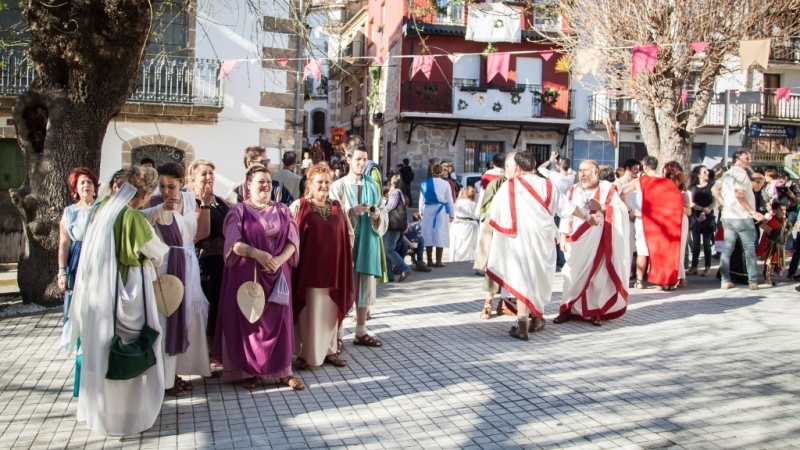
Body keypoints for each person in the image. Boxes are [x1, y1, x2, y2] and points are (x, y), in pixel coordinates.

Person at [68, 166, 168, 436]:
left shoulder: (101, 209)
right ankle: (128, 417)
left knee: (101, 350)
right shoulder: (131, 217)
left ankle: (101, 413)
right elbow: (156, 252)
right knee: (130, 348)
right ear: (144, 194)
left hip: (97, 294)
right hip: (126, 291)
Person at [487, 152, 597, 340]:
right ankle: (536, 317)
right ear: (535, 164)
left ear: (519, 168)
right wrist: (588, 218)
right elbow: (568, 208)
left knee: (521, 278)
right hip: (543, 239)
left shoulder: (509, 186)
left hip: (518, 238)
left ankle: (523, 324)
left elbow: (495, 212)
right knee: (538, 278)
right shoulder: (548, 184)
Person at [215, 164, 304, 390]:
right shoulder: (238, 212)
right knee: (251, 323)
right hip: (249, 275)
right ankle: (249, 370)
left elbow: (293, 242)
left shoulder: (283, 210)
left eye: (268, 181)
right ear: (248, 185)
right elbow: (234, 245)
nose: (265, 185)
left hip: (277, 274)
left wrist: (279, 260)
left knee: (280, 322)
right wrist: (259, 255)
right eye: (260, 181)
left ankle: (284, 371)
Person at [147, 163, 211, 397]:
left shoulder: (190, 199)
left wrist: (205, 204)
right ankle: (163, 379)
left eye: (171, 186)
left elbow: (201, 233)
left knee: (188, 318)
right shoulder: (153, 203)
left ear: (181, 183)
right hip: (165, 264)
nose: (166, 191)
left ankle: (176, 372)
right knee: (167, 319)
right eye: (162, 186)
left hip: (188, 261)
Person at [290, 163, 354, 369]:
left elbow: (349, 235)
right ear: (310, 184)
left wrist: (343, 257)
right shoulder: (299, 207)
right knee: (308, 312)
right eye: (320, 182)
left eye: (327, 182)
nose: (324, 186)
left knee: (329, 311)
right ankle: (304, 353)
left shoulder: (338, 207)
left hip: (333, 271)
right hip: (307, 271)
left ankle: (330, 350)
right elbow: (289, 236)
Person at [329, 136, 389, 348]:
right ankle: (337, 334)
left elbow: (382, 208)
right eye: (358, 160)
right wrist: (351, 212)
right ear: (348, 159)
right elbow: (330, 214)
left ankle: (361, 331)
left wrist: (376, 217)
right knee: (343, 286)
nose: (362, 163)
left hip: (368, 242)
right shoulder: (338, 186)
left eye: (365, 159)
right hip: (346, 242)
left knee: (364, 287)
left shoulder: (372, 184)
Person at [555, 160, 630, 327]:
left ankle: (596, 312)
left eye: (586, 171)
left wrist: (602, 207)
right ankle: (567, 309)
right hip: (577, 240)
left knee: (598, 277)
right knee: (571, 274)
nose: (582, 174)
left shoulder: (607, 189)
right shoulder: (573, 189)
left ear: (596, 172)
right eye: (580, 170)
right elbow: (566, 213)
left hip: (600, 241)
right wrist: (562, 236)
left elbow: (621, 212)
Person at [57, 167, 99, 397]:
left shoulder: (102, 209)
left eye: (90, 182)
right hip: (77, 263)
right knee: (80, 321)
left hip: (98, 263)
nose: (86, 186)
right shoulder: (70, 212)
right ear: (75, 188)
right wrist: (62, 271)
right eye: (82, 183)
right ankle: (81, 381)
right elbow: (64, 243)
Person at [187, 159, 229, 372]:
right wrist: (203, 203)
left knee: (219, 307)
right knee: (205, 307)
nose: (209, 177)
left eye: (211, 173)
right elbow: (199, 233)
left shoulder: (221, 201)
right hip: (201, 263)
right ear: (192, 178)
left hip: (223, 263)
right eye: (203, 174)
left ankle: (217, 351)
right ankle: (203, 354)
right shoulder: (189, 202)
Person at [622, 156, 684, 290]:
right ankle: (664, 281)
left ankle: (639, 281)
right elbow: (678, 199)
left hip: (642, 220)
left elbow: (623, 194)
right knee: (661, 250)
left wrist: (630, 211)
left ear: (645, 167)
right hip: (661, 222)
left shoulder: (640, 181)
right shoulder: (666, 182)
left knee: (642, 252)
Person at [713, 149, 764, 290]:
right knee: (749, 249)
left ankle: (725, 280)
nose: (750, 160)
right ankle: (752, 281)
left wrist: (723, 202)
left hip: (728, 216)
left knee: (727, 249)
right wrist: (753, 212)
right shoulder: (740, 174)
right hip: (742, 217)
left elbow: (715, 189)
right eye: (747, 158)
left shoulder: (728, 173)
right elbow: (739, 195)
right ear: (738, 159)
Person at [227, 146, 293, 206]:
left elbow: (291, 210)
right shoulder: (237, 190)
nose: (266, 165)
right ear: (249, 163)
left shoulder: (278, 188)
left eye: (268, 161)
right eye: (263, 161)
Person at [420, 164, 455, 268]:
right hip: (441, 211)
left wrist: (420, 211)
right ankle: (438, 260)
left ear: (432, 171)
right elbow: (450, 200)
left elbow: (421, 199)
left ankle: (429, 260)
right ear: (441, 172)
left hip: (428, 209)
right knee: (440, 232)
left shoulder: (424, 183)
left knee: (428, 232)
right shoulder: (445, 184)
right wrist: (452, 213)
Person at [664, 165, 691, 288]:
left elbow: (688, 211)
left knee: (679, 249)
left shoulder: (683, 194)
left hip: (681, 221)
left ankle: (681, 276)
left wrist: (675, 205)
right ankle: (675, 276)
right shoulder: (665, 193)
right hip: (669, 221)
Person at [689, 165, 717, 277]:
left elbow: (715, 201)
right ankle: (694, 266)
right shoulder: (692, 187)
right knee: (695, 244)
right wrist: (701, 209)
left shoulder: (712, 186)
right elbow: (691, 203)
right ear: (698, 174)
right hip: (695, 218)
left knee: (706, 244)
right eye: (704, 172)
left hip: (708, 218)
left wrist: (708, 210)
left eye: (707, 171)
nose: (707, 174)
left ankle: (707, 267)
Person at [383, 175, 412, 281]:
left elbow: (390, 207)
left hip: (393, 225)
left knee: (388, 249)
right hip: (394, 225)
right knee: (387, 249)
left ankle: (405, 268)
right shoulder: (399, 192)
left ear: (391, 182)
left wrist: (380, 210)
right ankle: (389, 275)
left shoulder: (395, 192)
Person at [757, 201, 788, 286]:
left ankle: (770, 276)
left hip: (780, 244)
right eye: (781, 210)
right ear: (775, 211)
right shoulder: (772, 221)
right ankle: (768, 277)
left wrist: (787, 233)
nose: (784, 212)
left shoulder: (784, 220)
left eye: (785, 210)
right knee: (769, 262)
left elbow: (788, 229)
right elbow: (766, 234)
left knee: (776, 262)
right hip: (772, 245)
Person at [449, 186, 479, 262]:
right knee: (470, 246)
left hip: (460, 223)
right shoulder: (475, 203)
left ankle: (457, 259)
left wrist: (459, 197)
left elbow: (454, 210)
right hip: (471, 225)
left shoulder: (460, 201)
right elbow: (478, 215)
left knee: (459, 244)